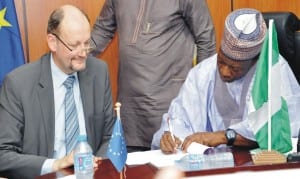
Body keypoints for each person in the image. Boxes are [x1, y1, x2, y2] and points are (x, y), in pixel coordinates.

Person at [151, 8, 300, 154]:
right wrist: (170, 137)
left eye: (235, 68)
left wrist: (223, 136)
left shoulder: (274, 71)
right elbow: (179, 118)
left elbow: (278, 130)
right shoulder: (203, 72)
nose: (224, 72)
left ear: (255, 61)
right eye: (221, 61)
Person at [0, 5, 115, 178]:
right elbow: (3, 155)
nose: (83, 53)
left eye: (86, 43)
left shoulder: (99, 72)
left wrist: (96, 165)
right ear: (53, 42)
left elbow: (110, 135)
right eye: (74, 45)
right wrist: (56, 164)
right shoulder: (18, 84)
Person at [90, 0, 216, 152]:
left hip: (169, 104)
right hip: (130, 107)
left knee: (168, 170)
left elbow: (206, 39)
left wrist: (200, 95)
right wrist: (73, 54)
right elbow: (102, 31)